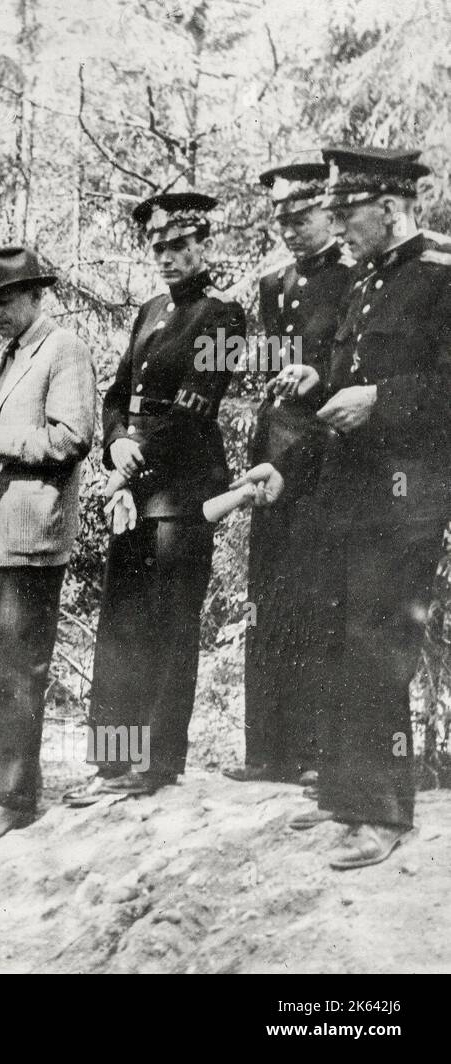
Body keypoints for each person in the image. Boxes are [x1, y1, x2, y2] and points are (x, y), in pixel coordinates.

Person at [237, 146, 451, 870]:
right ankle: (345, 795)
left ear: (388, 209)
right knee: (338, 633)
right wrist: (310, 388)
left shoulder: (438, 275)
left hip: (408, 493)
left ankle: (383, 813)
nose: (337, 225)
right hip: (347, 489)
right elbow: (344, 383)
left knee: (379, 640)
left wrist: (382, 401)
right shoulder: (367, 280)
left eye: (346, 213)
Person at [66, 192, 245, 805]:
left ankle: (159, 763)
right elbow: (119, 394)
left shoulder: (224, 315)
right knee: (121, 626)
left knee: (170, 628)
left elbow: (197, 405)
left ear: (203, 245)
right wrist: (115, 443)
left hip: (181, 490)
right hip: (135, 487)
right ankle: (113, 762)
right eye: (158, 247)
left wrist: (132, 466)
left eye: (179, 245)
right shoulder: (149, 311)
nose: (167, 256)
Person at [0, 247, 97, 849]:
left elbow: (72, 437)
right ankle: (2, 790)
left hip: (32, 535)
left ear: (38, 296)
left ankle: (11, 799)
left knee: (17, 669)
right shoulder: (6, 359)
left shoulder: (62, 349)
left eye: (6, 300)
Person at [225, 162, 353, 787]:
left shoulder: (356, 277)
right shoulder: (274, 283)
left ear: (330, 216)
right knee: (267, 593)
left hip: (329, 457)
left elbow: (354, 366)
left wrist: (319, 382)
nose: (291, 232)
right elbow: (277, 364)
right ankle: (266, 750)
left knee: (317, 594)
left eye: (302, 219)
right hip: (276, 448)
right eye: (282, 221)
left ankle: (317, 749)